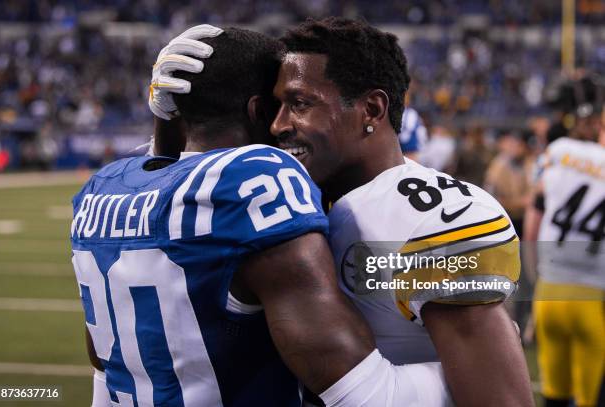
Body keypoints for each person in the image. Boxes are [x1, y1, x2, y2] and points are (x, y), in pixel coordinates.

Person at [163, 17, 534, 406]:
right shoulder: (289, 202)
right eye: (277, 106)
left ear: (371, 109)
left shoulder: (429, 219)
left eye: (300, 104)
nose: (277, 125)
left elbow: (501, 400)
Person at [73, 25, 451, 407]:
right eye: (282, 104)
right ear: (258, 110)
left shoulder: (103, 187)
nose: (282, 124)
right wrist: (473, 371)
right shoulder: (254, 176)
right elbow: (364, 395)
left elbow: (103, 364)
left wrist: (168, 113)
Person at [526, 94, 605, 407]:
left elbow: (537, 211)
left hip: (549, 293)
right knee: (590, 398)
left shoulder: (558, 152)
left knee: (553, 395)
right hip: (593, 296)